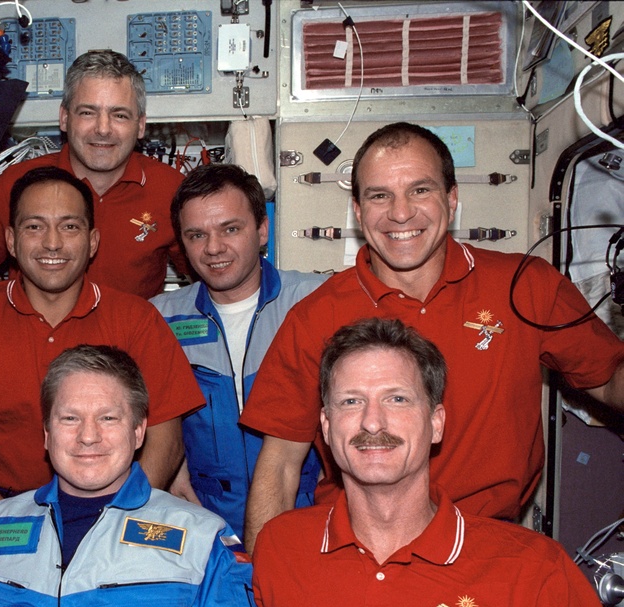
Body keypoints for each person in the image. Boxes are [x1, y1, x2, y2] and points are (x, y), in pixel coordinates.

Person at [240, 121, 624, 552]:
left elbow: (608, 377)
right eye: (379, 195)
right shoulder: (316, 317)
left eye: (420, 190)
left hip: (491, 545)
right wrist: (261, 586)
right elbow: (281, 463)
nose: (400, 213)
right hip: (363, 551)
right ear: (357, 210)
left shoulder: (525, 285)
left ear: (452, 198)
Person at [252, 318, 622, 607]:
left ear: (436, 423)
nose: (373, 421)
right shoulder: (281, 549)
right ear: (327, 427)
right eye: (352, 401)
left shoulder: (536, 572)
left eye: (397, 399)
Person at [0, 166, 203, 509]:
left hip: (109, 502)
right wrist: (1, 518)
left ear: (92, 242)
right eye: (34, 227)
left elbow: (167, 437)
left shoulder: (137, 320)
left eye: (69, 227)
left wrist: (121, 515)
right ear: (10, 241)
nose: (52, 242)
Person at [0, 345, 276, 607]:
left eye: (107, 417)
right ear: (47, 432)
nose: (88, 436)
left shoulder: (200, 540)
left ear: (138, 431)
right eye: (70, 418)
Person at [150, 164, 326, 538]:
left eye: (231, 229)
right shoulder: (156, 320)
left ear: (263, 230)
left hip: (307, 513)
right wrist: (170, 466)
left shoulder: (317, 303)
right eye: (196, 235)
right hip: (202, 522)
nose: (213, 248)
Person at [0, 49, 186, 302]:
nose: (103, 129)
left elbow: (209, 283)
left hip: (129, 340)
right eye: (87, 112)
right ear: (64, 118)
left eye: (119, 115)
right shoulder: (19, 186)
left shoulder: (170, 190)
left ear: (140, 125)